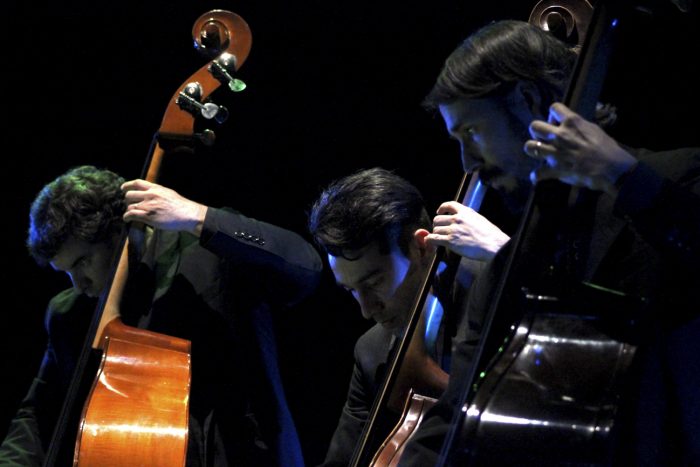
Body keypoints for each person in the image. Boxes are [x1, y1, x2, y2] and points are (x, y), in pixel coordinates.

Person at [396, 19, 700, 466]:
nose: (468, 162)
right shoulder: (513, 264)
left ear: (529, 101)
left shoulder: (676, 179)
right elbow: (453, 416)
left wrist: (625, 177)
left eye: (472, 134)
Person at [0, 165, 323, 466]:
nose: (79, 285)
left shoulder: (208, 255)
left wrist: (199, 217)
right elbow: (36, 415)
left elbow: (306, 267)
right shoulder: (69, 314)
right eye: (66, 271)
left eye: (83, 262)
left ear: (119, 233)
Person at [307, 167, 510, 465]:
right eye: (351, 290)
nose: (366, 310)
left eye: (374, 283)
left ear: (421, 247)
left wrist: (505, 253)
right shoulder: (372, 351)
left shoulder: (499, 291)